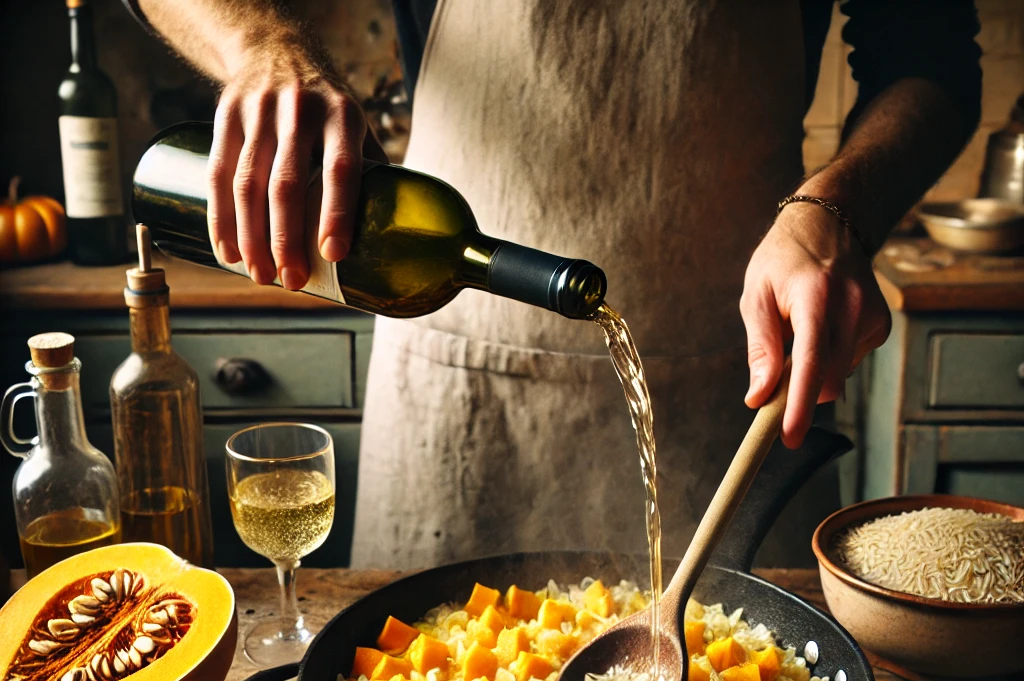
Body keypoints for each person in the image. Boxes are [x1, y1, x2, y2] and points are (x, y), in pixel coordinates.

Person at [125, 0, 981, 569]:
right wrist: (259, 45)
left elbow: (933, 63)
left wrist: (835, 209)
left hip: (743, 372)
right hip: (455, 380)